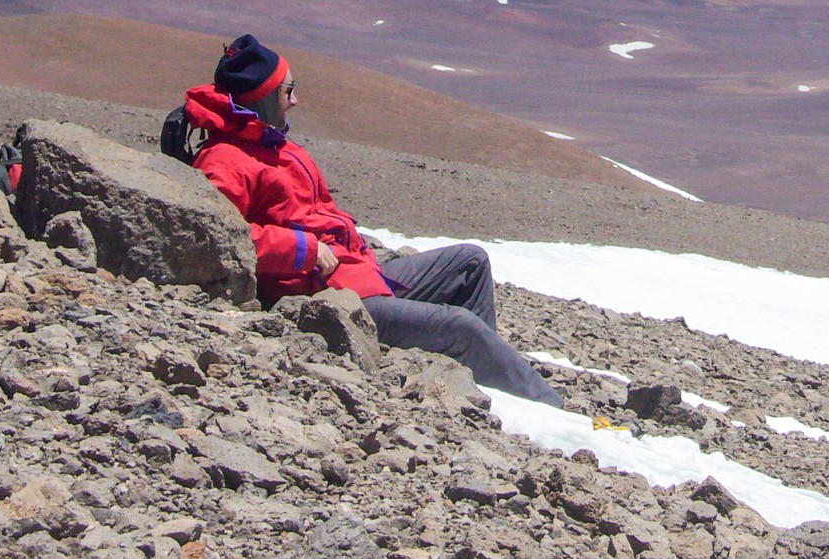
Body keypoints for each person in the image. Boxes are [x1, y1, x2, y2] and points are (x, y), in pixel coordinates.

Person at [183, 34, 561, 406]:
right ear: (260, 97)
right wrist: (303, 249)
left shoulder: (270, 142)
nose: (295, 100)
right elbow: (219, 236)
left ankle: (487, 387)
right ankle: (552, 414)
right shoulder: (226, 160)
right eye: (287, 91)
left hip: (354, 274)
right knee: (461, 328)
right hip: (326, 299)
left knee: (471, 262)